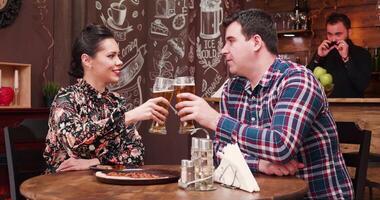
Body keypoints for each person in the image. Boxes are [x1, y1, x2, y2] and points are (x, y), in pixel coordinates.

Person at [175, 9, 353, 199]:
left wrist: (216, 121)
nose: (223, 50)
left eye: (231, 41)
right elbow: (221, 152)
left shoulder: (297, 80)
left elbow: (280, 145)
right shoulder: (232, 89)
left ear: (256, 42)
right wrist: (260, 164)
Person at [43, 24, 170, 173]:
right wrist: (127, 117)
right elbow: (76, 142)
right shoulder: (66, 99)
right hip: (64, 188)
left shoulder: (116, 102)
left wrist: (93, 162)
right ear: (87, 60)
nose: (119, 61)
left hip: (108, 188)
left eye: (118, 55)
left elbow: (136, 154)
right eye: (111, 56)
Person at [308, 12, 371, 98]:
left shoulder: (362, 54)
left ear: (349, 32)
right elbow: (305, 81)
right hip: (325, 108)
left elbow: (362, 85)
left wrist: (346, 59)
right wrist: (318, 57)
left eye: (338, 34)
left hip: (354, 109)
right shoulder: (322, 53)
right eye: (329, 34)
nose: (333, 39)